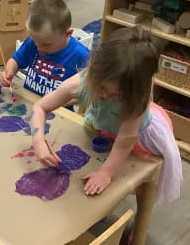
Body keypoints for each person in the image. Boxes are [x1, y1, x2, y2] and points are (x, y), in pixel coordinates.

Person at [30, 27, 182, 205]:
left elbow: (125, 142)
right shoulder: (81, 82)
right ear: (94, 70)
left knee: (137, 183)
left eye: (116, 96)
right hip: (106, 127)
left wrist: (106, 172)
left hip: (139, 138)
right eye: (102, 88)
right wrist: (38, 141)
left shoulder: (136, 99)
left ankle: (140, 219)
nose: (104, 96)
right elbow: (40, 107)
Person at [0, 0, 89, 99]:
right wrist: (9, 72)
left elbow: (90, 93)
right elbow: (15, 60)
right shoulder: (36, 42)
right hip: (30, 103)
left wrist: (68, 99)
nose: (39, 49)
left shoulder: (81, 56)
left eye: (46, 44)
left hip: (57, 111)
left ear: (67, 33)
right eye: (35, 41)